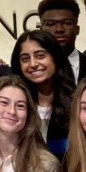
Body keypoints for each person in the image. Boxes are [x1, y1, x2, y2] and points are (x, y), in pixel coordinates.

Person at [11, 30, 75, 160]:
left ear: (55, 57)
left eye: (40, 56)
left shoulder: (76, 103)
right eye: (25, 59)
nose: (33, 64)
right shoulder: (15, 107)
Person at [37, 0, 86, 83]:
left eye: (67, 23)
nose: (59, 29)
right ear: (41, 29)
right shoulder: (32, 70)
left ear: (77, 29)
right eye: (51, 23)